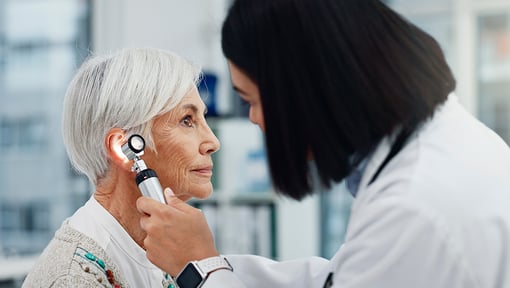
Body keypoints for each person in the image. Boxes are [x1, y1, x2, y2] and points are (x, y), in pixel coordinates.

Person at [136, 0, 510, 287]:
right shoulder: (436, 146)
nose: (252, 120)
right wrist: (216, 264)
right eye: (187, 120)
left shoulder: (415, 206)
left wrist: (202, 269)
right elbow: (342, 277)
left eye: (252, 101)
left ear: (304, 91)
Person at [22, 47, 220, 287]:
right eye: (186, 120)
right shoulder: (72, 280)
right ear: (123, 148)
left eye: (202, 119)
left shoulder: (167, 255)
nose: (212, 142)